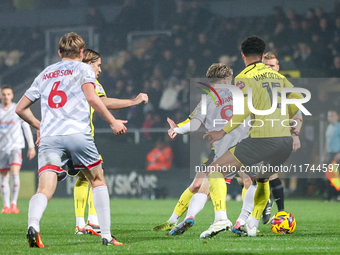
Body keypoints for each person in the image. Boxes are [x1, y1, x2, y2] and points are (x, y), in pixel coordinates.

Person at [15, 32, 127, 247]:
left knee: (44, 189)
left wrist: (40, 125)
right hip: (77, 134)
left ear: (59, 52)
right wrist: (113, 122)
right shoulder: (84, 68)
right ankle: (106, 235)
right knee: (97, 180)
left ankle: (33, 226)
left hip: (50, 138)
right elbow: (92, 97)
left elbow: (20, 109)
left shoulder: (45, 73)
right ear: (82, 52)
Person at [203, 36, 304, 237]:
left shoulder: (244, 77)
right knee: (263, 179)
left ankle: (221, 219)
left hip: (262, 139)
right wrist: (287, 119)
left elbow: (243, 111)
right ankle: (252, 225)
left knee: (214, 170)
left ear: (243, 55)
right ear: (262, 54)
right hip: (284, 140)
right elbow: (299, 98)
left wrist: (222, 132)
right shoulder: (278, 76)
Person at [162, 63, 252, 237]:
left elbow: (195, 124)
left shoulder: (208, 99)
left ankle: (190, 216)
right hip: (244, 145)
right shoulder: (241, 92)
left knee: (203, 186)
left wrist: (177, 129)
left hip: (220, 149)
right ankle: (245, 221)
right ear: (227, 78)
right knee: (249, 181)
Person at [72, 49, 148, 236]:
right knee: (98, 172)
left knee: (82, 176)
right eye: (98, 65)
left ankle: (81, 224)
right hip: (79, 135)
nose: (100, 70)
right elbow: (102, 102)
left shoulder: (67, 77)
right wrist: (133, 102)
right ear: (88, 63)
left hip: (59, 134)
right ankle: (92, 221)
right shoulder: (87, 80)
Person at [260, 52, 303, 224]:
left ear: (277, 68)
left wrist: (295, 135)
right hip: (256, 134)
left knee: (266, 173)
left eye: (272, 65)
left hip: (278, 136)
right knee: (261, 174)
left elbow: (298, 113)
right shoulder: (256, 85)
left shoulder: (285, 88)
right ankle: (278, 210)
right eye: (266, 65)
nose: (269, 68)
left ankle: (272, 208)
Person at [0, 86, 36, 214]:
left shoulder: (17, 109)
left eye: (8, 94)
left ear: (12, 95)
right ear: (0, 96)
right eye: (3, 94)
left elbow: (26, 127)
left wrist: (31, 145)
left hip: (16, 146)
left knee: (15, 172)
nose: (6, 96)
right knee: (3, 176)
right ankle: (6, 206)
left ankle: (14, 204)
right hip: (2, 148)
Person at [323, 109, 340, 200]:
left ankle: (338, 194)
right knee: (329, 175)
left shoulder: (339, 127)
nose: (330, 118)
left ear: (338, 116)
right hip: (330, 153)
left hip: (337, 153)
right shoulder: (329, 127)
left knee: (337, 175)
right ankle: (329, 195)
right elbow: (327, 142)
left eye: (333, 116)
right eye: (329, 116)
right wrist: (325, 154)